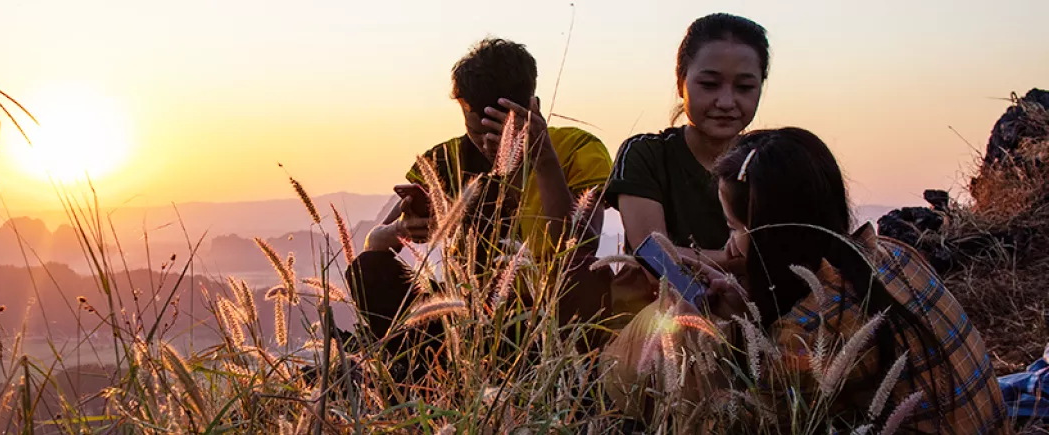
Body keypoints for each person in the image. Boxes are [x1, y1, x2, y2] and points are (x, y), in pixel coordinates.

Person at [607, 128, 1007, 433]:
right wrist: (743, 310)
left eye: (734, 228)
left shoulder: (807, 329)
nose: (730, 247)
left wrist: (695, 339)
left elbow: (737, 423)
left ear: (770, 235)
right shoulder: (891, 252)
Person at [345, 38, 614, 377]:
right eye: (475, 131)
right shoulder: (446, 159)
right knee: (368, 269)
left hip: (547, 320)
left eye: (501, 131)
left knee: (585, 279)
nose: (487, 145)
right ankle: (433, 376)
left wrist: (543, 161)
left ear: (534, 106)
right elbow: (375, 245)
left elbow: (578, 248)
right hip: (466, 319)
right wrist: (400, 230)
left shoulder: (576, 149)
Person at [604, 13, 769, 267]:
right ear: (681, 82)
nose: (726, 102)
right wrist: (741, 259)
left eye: (744, 87)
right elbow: (651, 255)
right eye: (709, 84)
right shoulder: (646, 154)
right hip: (662, 307)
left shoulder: (771, 159)